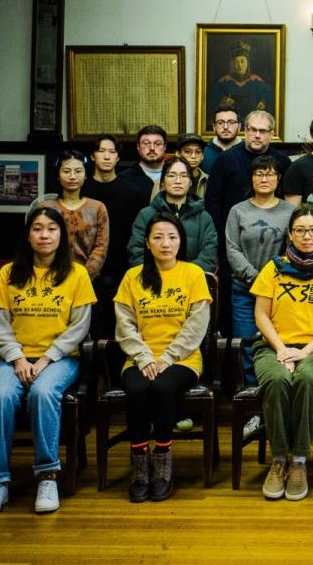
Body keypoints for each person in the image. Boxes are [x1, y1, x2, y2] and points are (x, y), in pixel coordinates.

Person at [0, 207, 96, 517]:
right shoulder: (8, 273)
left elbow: (79, 327)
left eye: (51, 229)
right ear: (28, 235)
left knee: (43, 393)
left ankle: (47, 475)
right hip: (11, 358)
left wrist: (45, 358)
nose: (44, 235)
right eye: (38, 229)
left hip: (59, 358)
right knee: (1, 396)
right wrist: (17, 358)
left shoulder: (77, 273)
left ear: (62, 236)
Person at [250, 204, 313, 502]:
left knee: (308, 379)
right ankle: (279, 458)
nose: (307, 236)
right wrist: (282, 349)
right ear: (290, 235)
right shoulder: (274, 268)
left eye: (312, 230)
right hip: (274, 346)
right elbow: (261, 315)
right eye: (300, 230)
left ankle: (299, 462)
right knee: (277, 380)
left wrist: (304, 351)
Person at [114, 212, 212, 503]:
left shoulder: (193, 274)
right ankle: (140, 460)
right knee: (137, 387)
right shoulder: (132, 277)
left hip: (182, 360)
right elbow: (124, 324)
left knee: (161, 386)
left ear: (181, 241)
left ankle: (163, 458)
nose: (165, 243)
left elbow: (196, 325)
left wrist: (167, 358)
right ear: (147, 242)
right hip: (139, 358)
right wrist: (144, 358)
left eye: (172, 237)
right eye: (158, 237)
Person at [225, 155, 293, 386]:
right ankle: (251, 394)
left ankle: (275, 388)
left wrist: (270, 279)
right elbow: (232, 249)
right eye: (259, 174)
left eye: (270, 173)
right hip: (244, 288)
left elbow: (292, 249)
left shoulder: (290, 211)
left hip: (281, 288)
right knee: (247, 342)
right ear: (251, 178)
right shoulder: (238, 211)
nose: (264, 178)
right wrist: (256, 278)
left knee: (278, 341)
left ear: (278, 178)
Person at [82, 134, 147, 338]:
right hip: (87, 271)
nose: (107, 156)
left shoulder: (133, 192)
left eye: (112, 152)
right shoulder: (82, 190)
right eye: (102, 151)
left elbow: (140, 234)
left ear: (118, 157)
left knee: (122, 328)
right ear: (93, 156)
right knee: (90, 328)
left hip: (123, 269)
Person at [205, 110, 291, 249]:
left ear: (271, 134)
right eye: (253, 130)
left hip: (273, 238)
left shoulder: (282, 162)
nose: (257, 135)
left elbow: (286, 201)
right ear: (245, 131)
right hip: (232, 238)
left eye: (262, 131)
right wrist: (222, 237)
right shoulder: (226, 159)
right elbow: (212, 202)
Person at [127, 158, 218, 273]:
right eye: (172, 175)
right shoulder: (146, 215)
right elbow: (136, 252)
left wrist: (183, 276)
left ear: (190, 182)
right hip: (153, 282)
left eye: (184, 176)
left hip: (191, 283)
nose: (178, 181)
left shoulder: (204, 217)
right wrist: (158, 275)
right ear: (162, 182)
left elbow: (209, 256)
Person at [33, 150, 110, 282]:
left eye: (78, 171)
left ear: (85, 175)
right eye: (66, 171)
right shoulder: (45, 207)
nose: (72, 176)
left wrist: (84, 276)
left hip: (87, 280)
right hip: (50, 277)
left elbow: (101, 247)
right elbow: (38, 242)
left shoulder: (98, 208)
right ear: (58, 175)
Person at [207, 39, 274, 122]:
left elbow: (268, 97)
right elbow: (212, 103)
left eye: (242, 61)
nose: (239, 65)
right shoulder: (223, 83)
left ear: (247, 63)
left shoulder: (257, 82)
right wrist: (222, 101)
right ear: (232, 64)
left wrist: (262, 102)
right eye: (236, 62)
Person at [119, 125, 169, 200]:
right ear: (138, 147)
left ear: (164, 147)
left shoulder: (176, 175)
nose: (152, 148)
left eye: (157, 144)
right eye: (146, 143)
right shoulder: (124, 179)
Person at [202, 106, 241, 174]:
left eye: (231, 122)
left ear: (239, 127)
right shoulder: (203, 151)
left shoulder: (247, 150)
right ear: (214, 127)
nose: (225, 127)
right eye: (220, 123)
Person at [176, 133, 208, 200]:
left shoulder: (209, 181)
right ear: (178, 154)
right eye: (187, 151)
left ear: (202, 156)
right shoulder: (165, 179)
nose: (193, 156)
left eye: (198, 152)